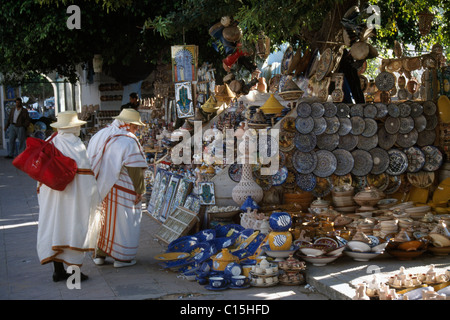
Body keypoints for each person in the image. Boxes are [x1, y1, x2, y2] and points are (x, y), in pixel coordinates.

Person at [36, 111, 103, 282]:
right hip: (72, 196)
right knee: (73, 228)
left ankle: (58, 271)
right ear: (73, 127)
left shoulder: (50, 141)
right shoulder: (76, 144)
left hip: (52, 195)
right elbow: (86, 175)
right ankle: (74, 274)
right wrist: (93, 195)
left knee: (55, 228)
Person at [87, 108, 147, 268]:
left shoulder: (100, 135)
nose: (137, 129)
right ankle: (122, 258)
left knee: (101, 220)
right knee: (123, 223)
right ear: (127, 124)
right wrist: (140, 190)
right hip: (121, 189)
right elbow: (135, 168)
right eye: (135, 126)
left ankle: (99, 254)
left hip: (99, 186)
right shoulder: (127, 140)